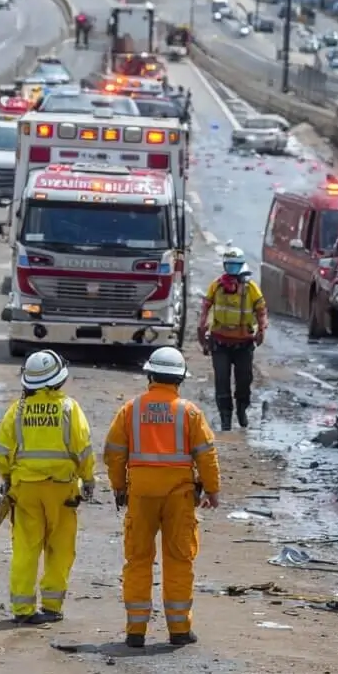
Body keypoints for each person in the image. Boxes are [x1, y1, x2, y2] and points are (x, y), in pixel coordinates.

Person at [103, 347, 220, 648]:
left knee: (138, 559)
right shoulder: (189, 412)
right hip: (178, 497)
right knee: (179, 559)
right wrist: (212, 489)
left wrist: (118, 487)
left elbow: (114, 453)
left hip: (140, 494)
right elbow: (206, 454)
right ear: (179, 379)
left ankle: (136, 631)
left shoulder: (131, 409)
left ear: (150, 375)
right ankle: (179, 630)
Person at [0, 350, 96, 625]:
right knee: (60, 549)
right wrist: (89, 479)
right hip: (62, 492)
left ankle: (23, 609)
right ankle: (51, 606)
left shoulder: (18, 410)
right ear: (58, 379)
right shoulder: (69, 408)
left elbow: (0, 453)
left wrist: (6, 478)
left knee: (26, 548)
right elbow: (83, 449)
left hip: (25, 490)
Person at [198, 247, 268, 431]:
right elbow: (205, 307)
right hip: (219, 343)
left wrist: (262, 329)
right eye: (228, 265)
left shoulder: (251, 287)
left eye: (235, 265)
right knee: (222, 381)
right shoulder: (217, 285)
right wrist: (202, 329)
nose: (231, 269)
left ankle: (242, 410)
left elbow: (261, 310)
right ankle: (225, 419)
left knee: (244, 381)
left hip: (244, 344)